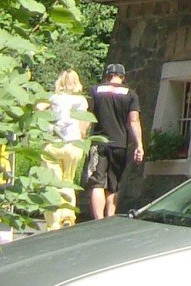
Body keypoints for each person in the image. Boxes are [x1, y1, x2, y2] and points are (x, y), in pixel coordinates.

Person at [82, 63, 143, 220]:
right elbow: (134, 121)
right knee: (113, 183)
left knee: (97, 183)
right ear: (122, 77)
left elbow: (87, 117)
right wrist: (139, 145)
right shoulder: (130, 94)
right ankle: (110, 216)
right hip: (119, 145)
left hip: (98, 142)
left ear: (107, 76)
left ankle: (98, 219)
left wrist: (82, 137)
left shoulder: (95, 91)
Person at [43, 70, 90, 227]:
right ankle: (68, 216)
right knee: (68, 181)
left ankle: (53, 222)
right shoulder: (82, 101)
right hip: (73, 144)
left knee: (53, 184)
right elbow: (84, 127)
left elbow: (38, 108)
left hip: (53, 143)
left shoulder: (53, 98)